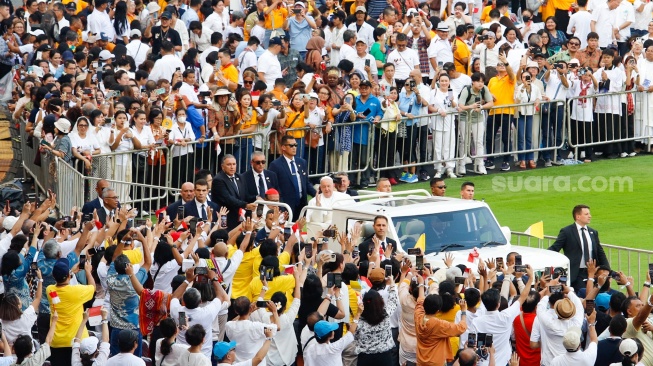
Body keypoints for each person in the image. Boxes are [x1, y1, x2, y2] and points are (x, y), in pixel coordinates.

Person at [46, 257, 95, 365]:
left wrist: (71, 272)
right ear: (68, 276)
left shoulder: (50, 290)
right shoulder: (76, 291)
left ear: (54, 276)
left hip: (56, 341)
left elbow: (61, 284)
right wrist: (88, 271)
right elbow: (92, 287)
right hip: (76, 341)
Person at [548, 205, 610, 291]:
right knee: (584, 294)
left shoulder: (593, 232)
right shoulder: (567, 231)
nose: (590, 216)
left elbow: (600, 252)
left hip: (593, 272)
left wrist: (607, 270)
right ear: (578, 216)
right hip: (576, 274)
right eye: (586, 214)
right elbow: (555, 248)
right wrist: (543, 256)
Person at [414, 272, 467, 366]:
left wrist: (421, 284)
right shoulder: (439, 324)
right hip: (436, 362)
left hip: (420, 361)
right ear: (438, 310)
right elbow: (461, 328)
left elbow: (420, 300)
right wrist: (463, 311)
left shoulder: (418, 316)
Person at [268, 135, 316, 219]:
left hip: (301, 204)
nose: (294, 148)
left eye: (295, 145)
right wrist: (281, 206)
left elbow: (306, 183)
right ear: (283, 147)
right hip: (286, 206)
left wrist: (317, 194)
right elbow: (274, 187)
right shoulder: (275, 165)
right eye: (291, 145)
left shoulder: (302, 162)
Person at [211, 155, 258, 230]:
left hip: (240, 217)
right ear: (222, 166)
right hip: (225, 217)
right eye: (229, 164)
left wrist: (256, 198)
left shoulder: (240, 177)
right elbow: (228, 199)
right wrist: (245, 205)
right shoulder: (218, 180)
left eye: (234, 164)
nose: (232, 167)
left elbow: (244, 196)